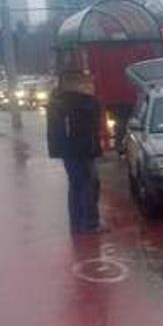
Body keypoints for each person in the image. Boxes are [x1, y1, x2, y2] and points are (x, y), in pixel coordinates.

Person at [47, 72, 105, 234]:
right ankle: (89, 223)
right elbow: (88, 127)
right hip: (81, 151)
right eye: (87, 85)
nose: (91, 88)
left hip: (72, 151)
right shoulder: (80, 103)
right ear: (77, 86)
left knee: (78, 185)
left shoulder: (60, 102)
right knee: (87, 185)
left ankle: (77, 222)